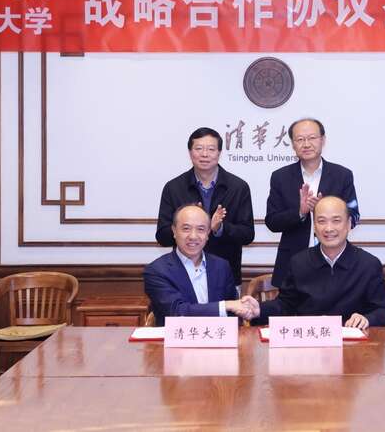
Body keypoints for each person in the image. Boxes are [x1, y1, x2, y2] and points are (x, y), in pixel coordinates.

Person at [249, 196, 385, 328]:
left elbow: (382, 311)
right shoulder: (299, 262)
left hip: (352, 342)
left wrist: (367, 319)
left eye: (336, 221)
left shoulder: (369, 265)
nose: (329, 228)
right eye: (322, 221)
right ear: (315, 227)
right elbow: (285, 305)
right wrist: (258, 310)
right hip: (309, 340)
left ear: (348, 224)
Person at [265, 118, 360, 287]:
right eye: (300, 139)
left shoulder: (342, 175)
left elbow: (354, 216)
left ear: (323, 140)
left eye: (312, 138)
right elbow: (272, 221)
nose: (306, 144)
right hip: (293, 261)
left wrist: (328, 210)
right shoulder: (280, 177)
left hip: (333, 260)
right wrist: (300, 212)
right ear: (293, 144)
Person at [156, 127, 255, 289]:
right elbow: (162, 236)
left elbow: (247, 235)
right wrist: (186, 226)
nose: (204, 154)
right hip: (182, 276)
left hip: (225, 275)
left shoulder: (238, 187)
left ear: (219, 153)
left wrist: (220, 228)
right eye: (199, 148)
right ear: (190, 153)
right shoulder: (173, 188)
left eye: (211, 149)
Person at [145, 204, 259, 326]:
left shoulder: (221, 266)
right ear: (174, 231)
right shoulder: (157, 271)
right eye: (186, 228)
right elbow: (176, 312)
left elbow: (233, 314)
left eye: (200, 229)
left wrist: (245, 311)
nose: (193, 236)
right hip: (177, 336)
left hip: (217, 336)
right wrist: (225, 306)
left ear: (208, 233)